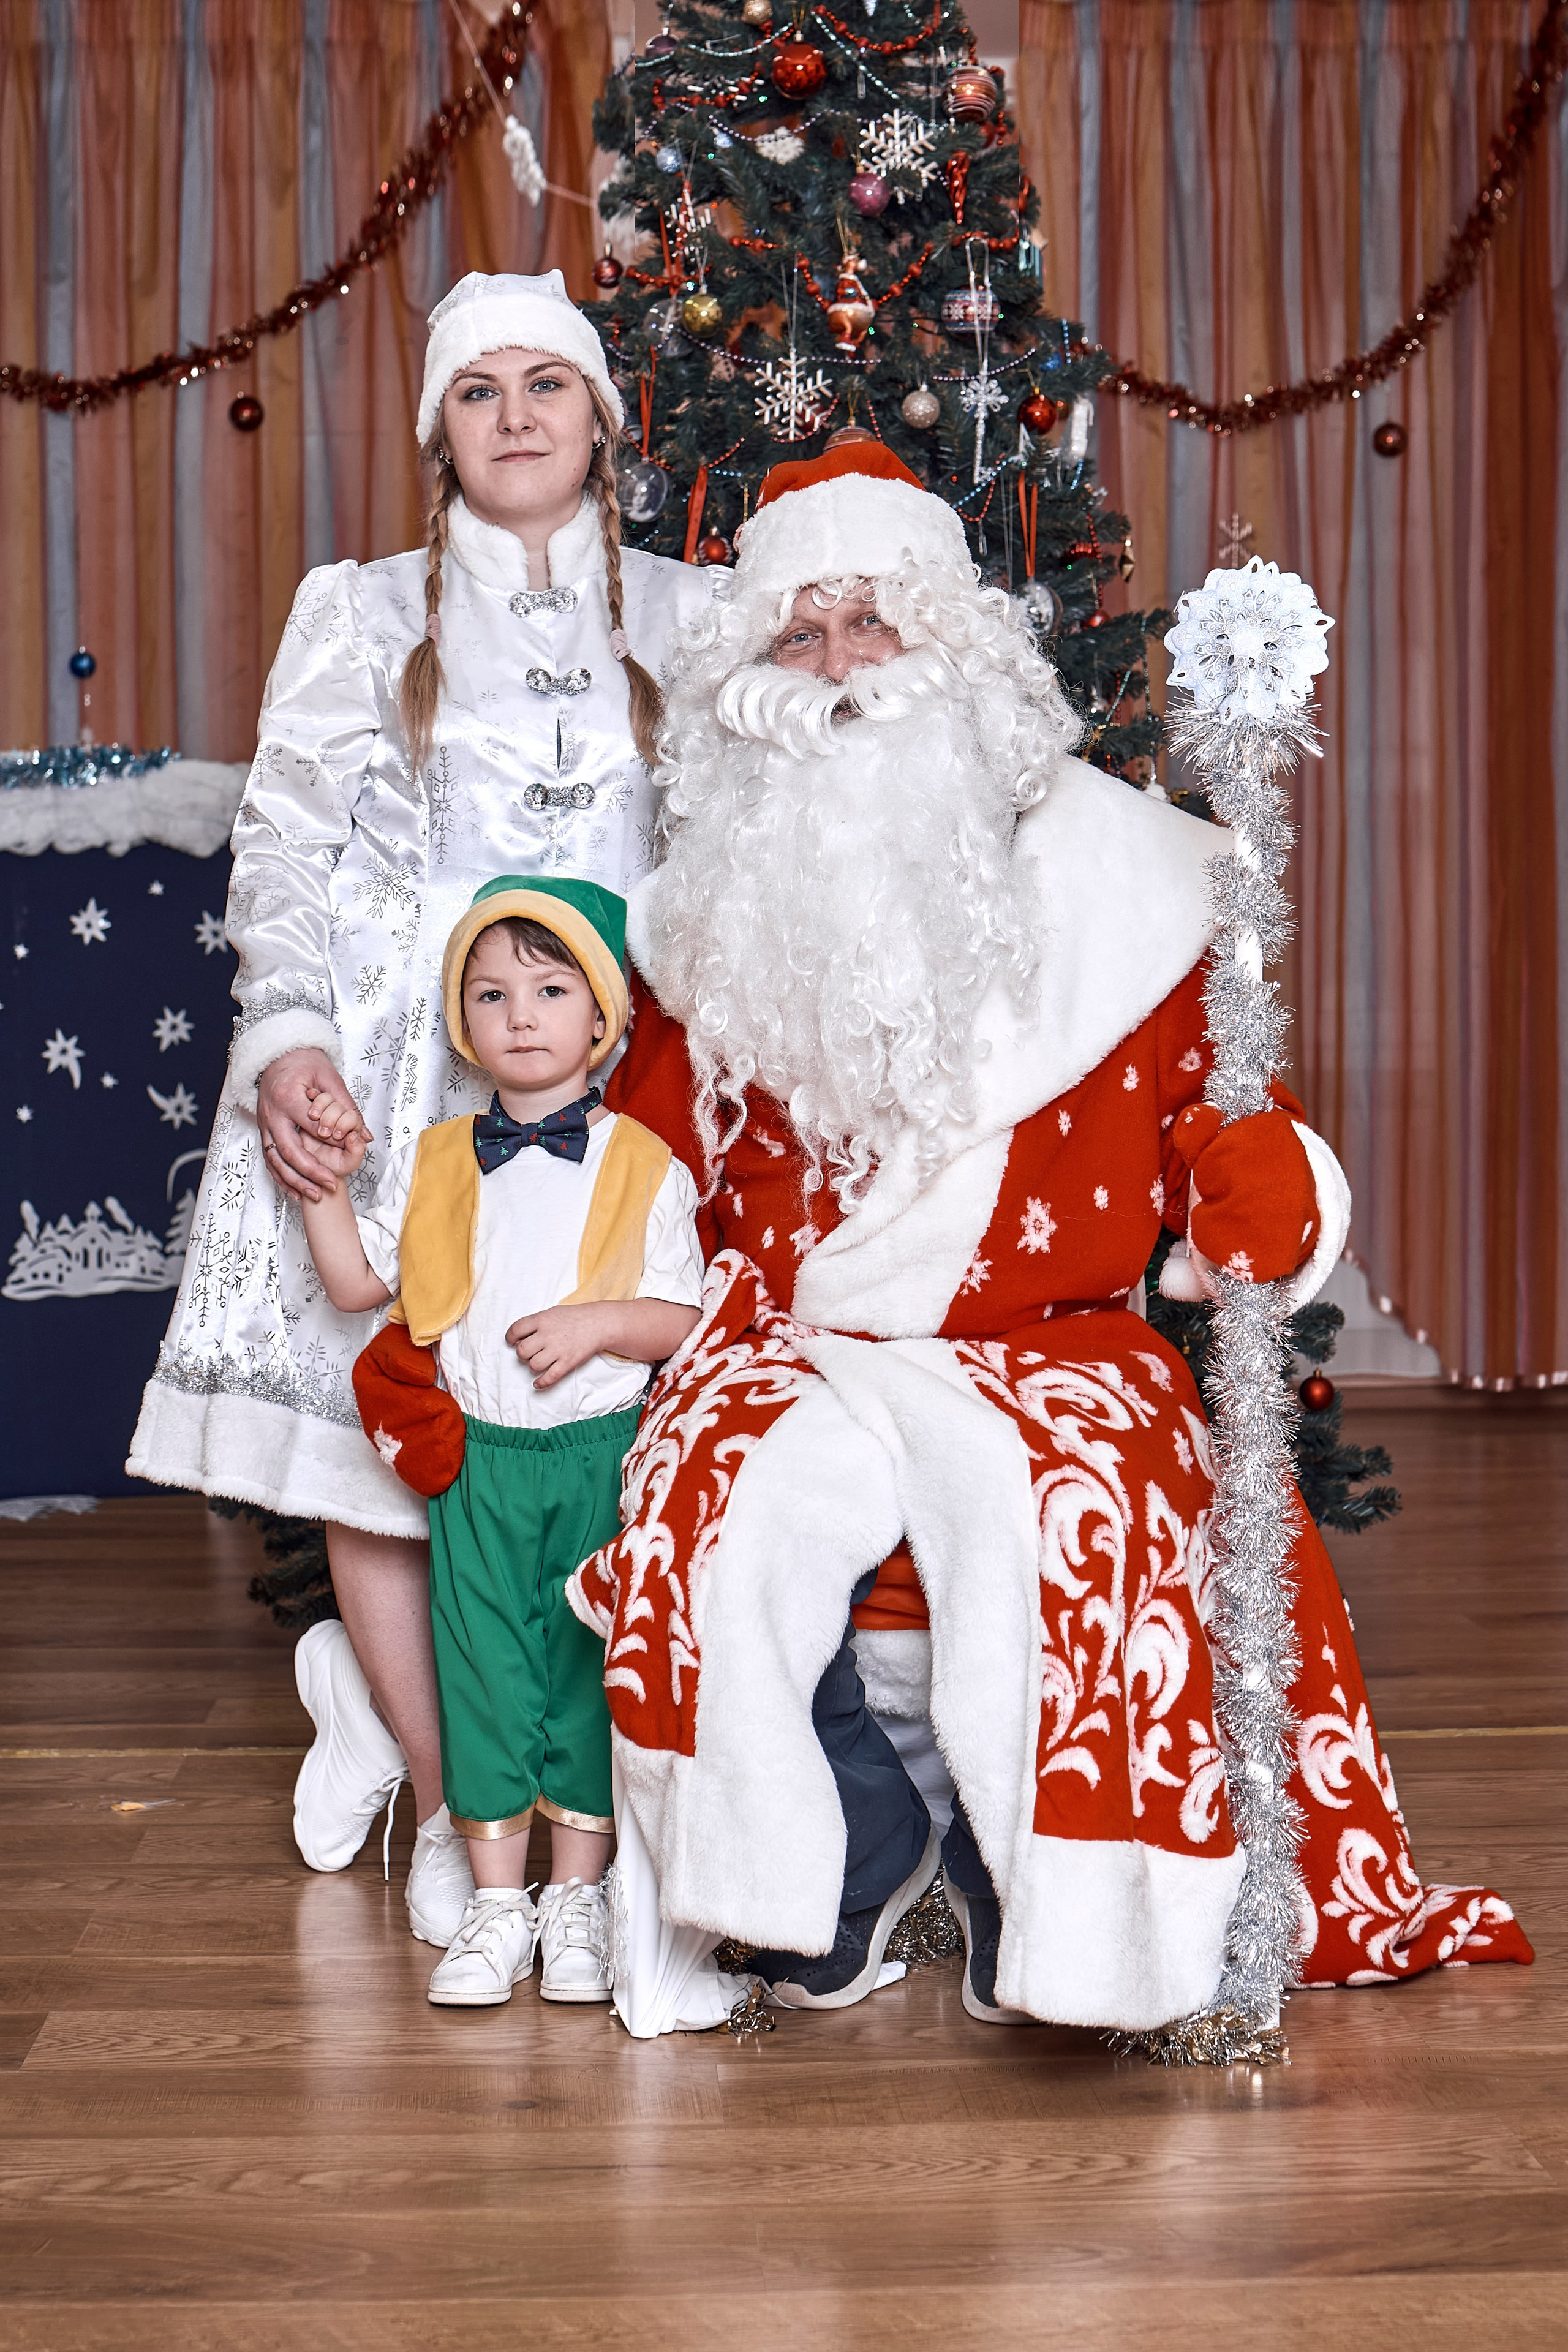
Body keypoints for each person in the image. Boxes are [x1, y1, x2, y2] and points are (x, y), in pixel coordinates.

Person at [568, 442, 1531, 2032]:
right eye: (797, 640)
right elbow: (639, 1172)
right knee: (716, 1492)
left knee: (1079, 1500)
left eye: (870, 626)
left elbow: (1222, 1127)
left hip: (1054, 1345)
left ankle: (1067, 1911)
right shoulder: (706, 917)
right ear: (752, 679)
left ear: (952, 649)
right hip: (788, 1339)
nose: (836, 674)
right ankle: (843, 1872)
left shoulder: (1132, 885)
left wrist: (1259, 1186)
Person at [127, 273, 720, 1949]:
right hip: (406, 1059)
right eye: (480, 391)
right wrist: (291, 1034)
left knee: (604, 1449)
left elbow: (744, 856)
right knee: (401, 1447)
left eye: (551, 384)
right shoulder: (357, 608)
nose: (519, 416)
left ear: (603, 416)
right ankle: (468, 1801)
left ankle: (597, 1801)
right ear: (437, 430)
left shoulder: (694, 614)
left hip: (626, 1065)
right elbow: (287, 852)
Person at [295, 875, 703, 2005]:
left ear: (603, 1016)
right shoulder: (436, 1160)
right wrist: (325, 1187)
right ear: (462, 1022)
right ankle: (495, 1904)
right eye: (490, 992)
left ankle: (577, 1898)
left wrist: (602, 1324)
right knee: (481, 1668)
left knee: (581, 1671)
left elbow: (686, 1318)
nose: (520, 1013)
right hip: (476, 1462)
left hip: (597, 1457)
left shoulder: (645, 1165)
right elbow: (355, 1282)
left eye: (549, 986)